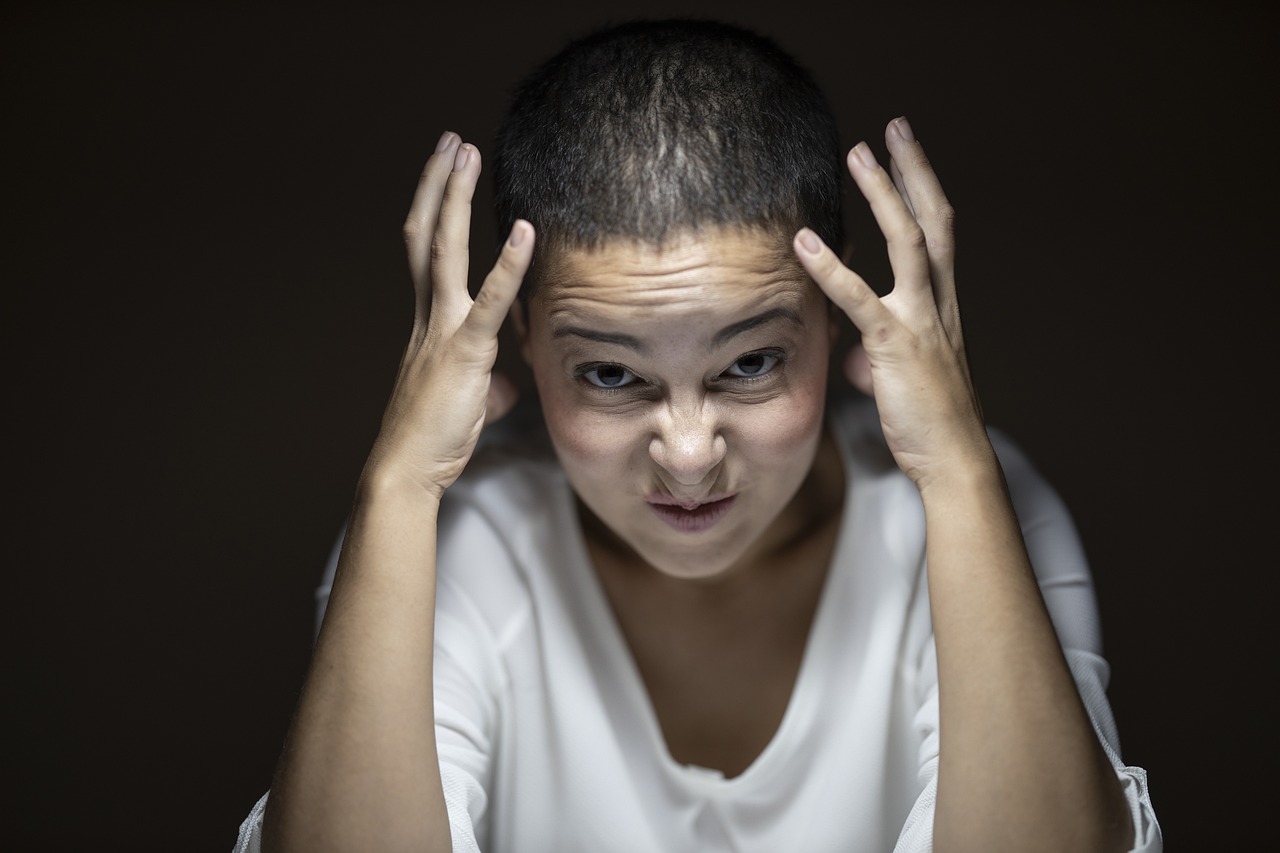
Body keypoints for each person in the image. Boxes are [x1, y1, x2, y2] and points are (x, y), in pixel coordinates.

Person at [234, 19, 1161, 853]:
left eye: (750, 363)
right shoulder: (443, 534)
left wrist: (959, 470)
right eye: (609, 373)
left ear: (836, 321)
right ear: (520, 344)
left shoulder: (982, 511)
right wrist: (397, 484)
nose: (687, 453)